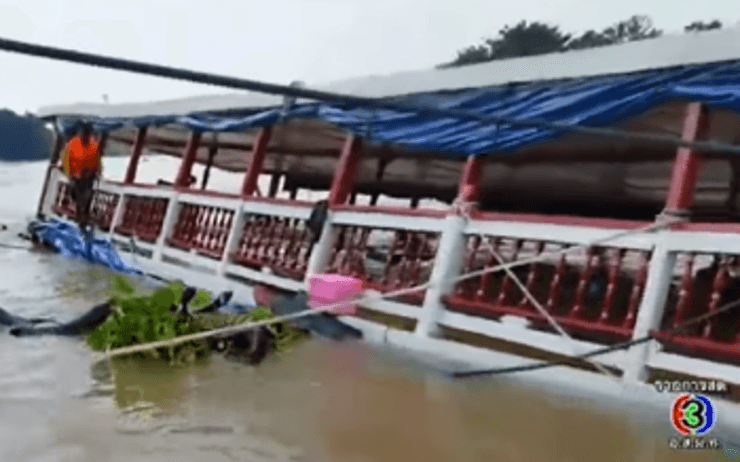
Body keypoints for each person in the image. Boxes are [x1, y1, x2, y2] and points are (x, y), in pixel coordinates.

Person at [60, 123, 102, 232]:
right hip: (75, 177)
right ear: (80, 134)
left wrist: (95, 172)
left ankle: (84, 218)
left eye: (87, 134)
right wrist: (70, 174)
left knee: (87, 196)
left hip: (88, 177)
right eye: (84, 134)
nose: (86, 136)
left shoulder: (93, 145)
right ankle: (79, 216)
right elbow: (65, 161)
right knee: (76, 196)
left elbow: (97, 162)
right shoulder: (72, 144)